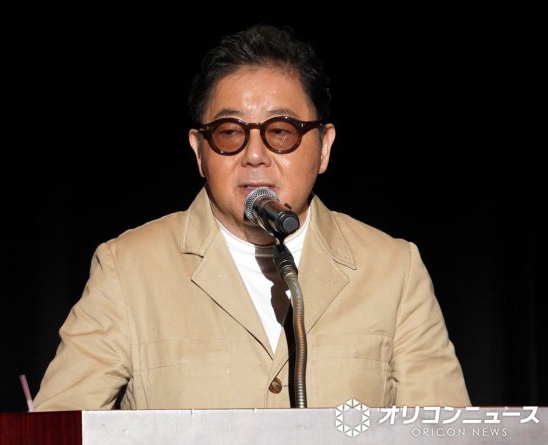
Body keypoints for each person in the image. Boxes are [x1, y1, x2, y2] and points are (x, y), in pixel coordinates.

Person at [33, 23, 470, 410]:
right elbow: (57, 429)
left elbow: (448, 434)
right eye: (230, 133)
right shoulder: (128, 269)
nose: (255, 155)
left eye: (280, 131)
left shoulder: (393, 270)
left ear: (324, 147)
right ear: (199, 151)